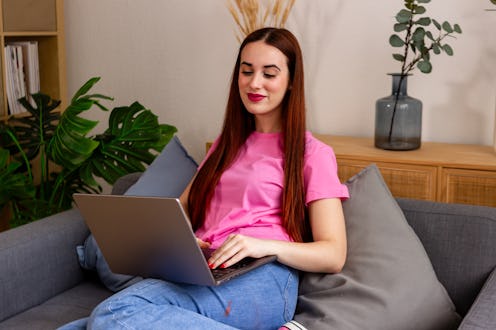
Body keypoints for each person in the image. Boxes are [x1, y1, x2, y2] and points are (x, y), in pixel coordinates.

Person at [59, 27, 349, 330]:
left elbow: (333, 253)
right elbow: (181, 208)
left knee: (114, 314)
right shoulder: (226, 144)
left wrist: (263, 245)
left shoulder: (313, 153)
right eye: (246, 71)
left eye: (269, 73)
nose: (254, 83)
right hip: (205, 270)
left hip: (264, 277)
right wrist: (183, 241)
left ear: (291, 82)